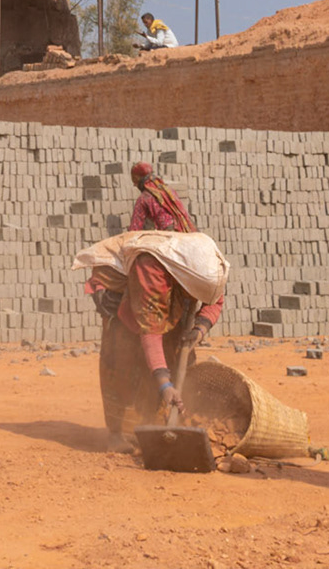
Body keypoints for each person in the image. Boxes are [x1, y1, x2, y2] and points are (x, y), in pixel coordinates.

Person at [91, 163, 223, 451]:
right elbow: (150, 331)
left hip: (171, 309)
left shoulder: (207, 263)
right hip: (130, 312)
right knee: (124, 368)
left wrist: (199, 329)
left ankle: (159, 424)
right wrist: (164, 383)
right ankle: (116, 435)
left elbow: (216, 301)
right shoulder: (151, 269)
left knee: (179, 363)